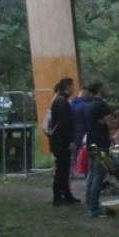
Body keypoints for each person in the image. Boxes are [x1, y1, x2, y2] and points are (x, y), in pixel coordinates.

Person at [77, 81, 114, 218]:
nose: (106, 89)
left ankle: (90, 204)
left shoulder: (88, 105)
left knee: (92, 174)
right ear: (99, 89)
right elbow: (110, 124)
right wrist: (112, 120)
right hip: (101, 143)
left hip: (90, 143)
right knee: (99, 175)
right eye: (104, 87)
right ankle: (93, 207)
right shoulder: (102, 105)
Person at [47, 77, 79, 206]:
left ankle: (65, 193)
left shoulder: (59, 101)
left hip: (59, 140)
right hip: (61, 141)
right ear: (67, 87)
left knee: (64, 169)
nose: (73, 89)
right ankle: (58, 195)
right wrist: (70, 139)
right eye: (71, 86)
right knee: (62, 169)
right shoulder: (61, 102)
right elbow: (64, 123)